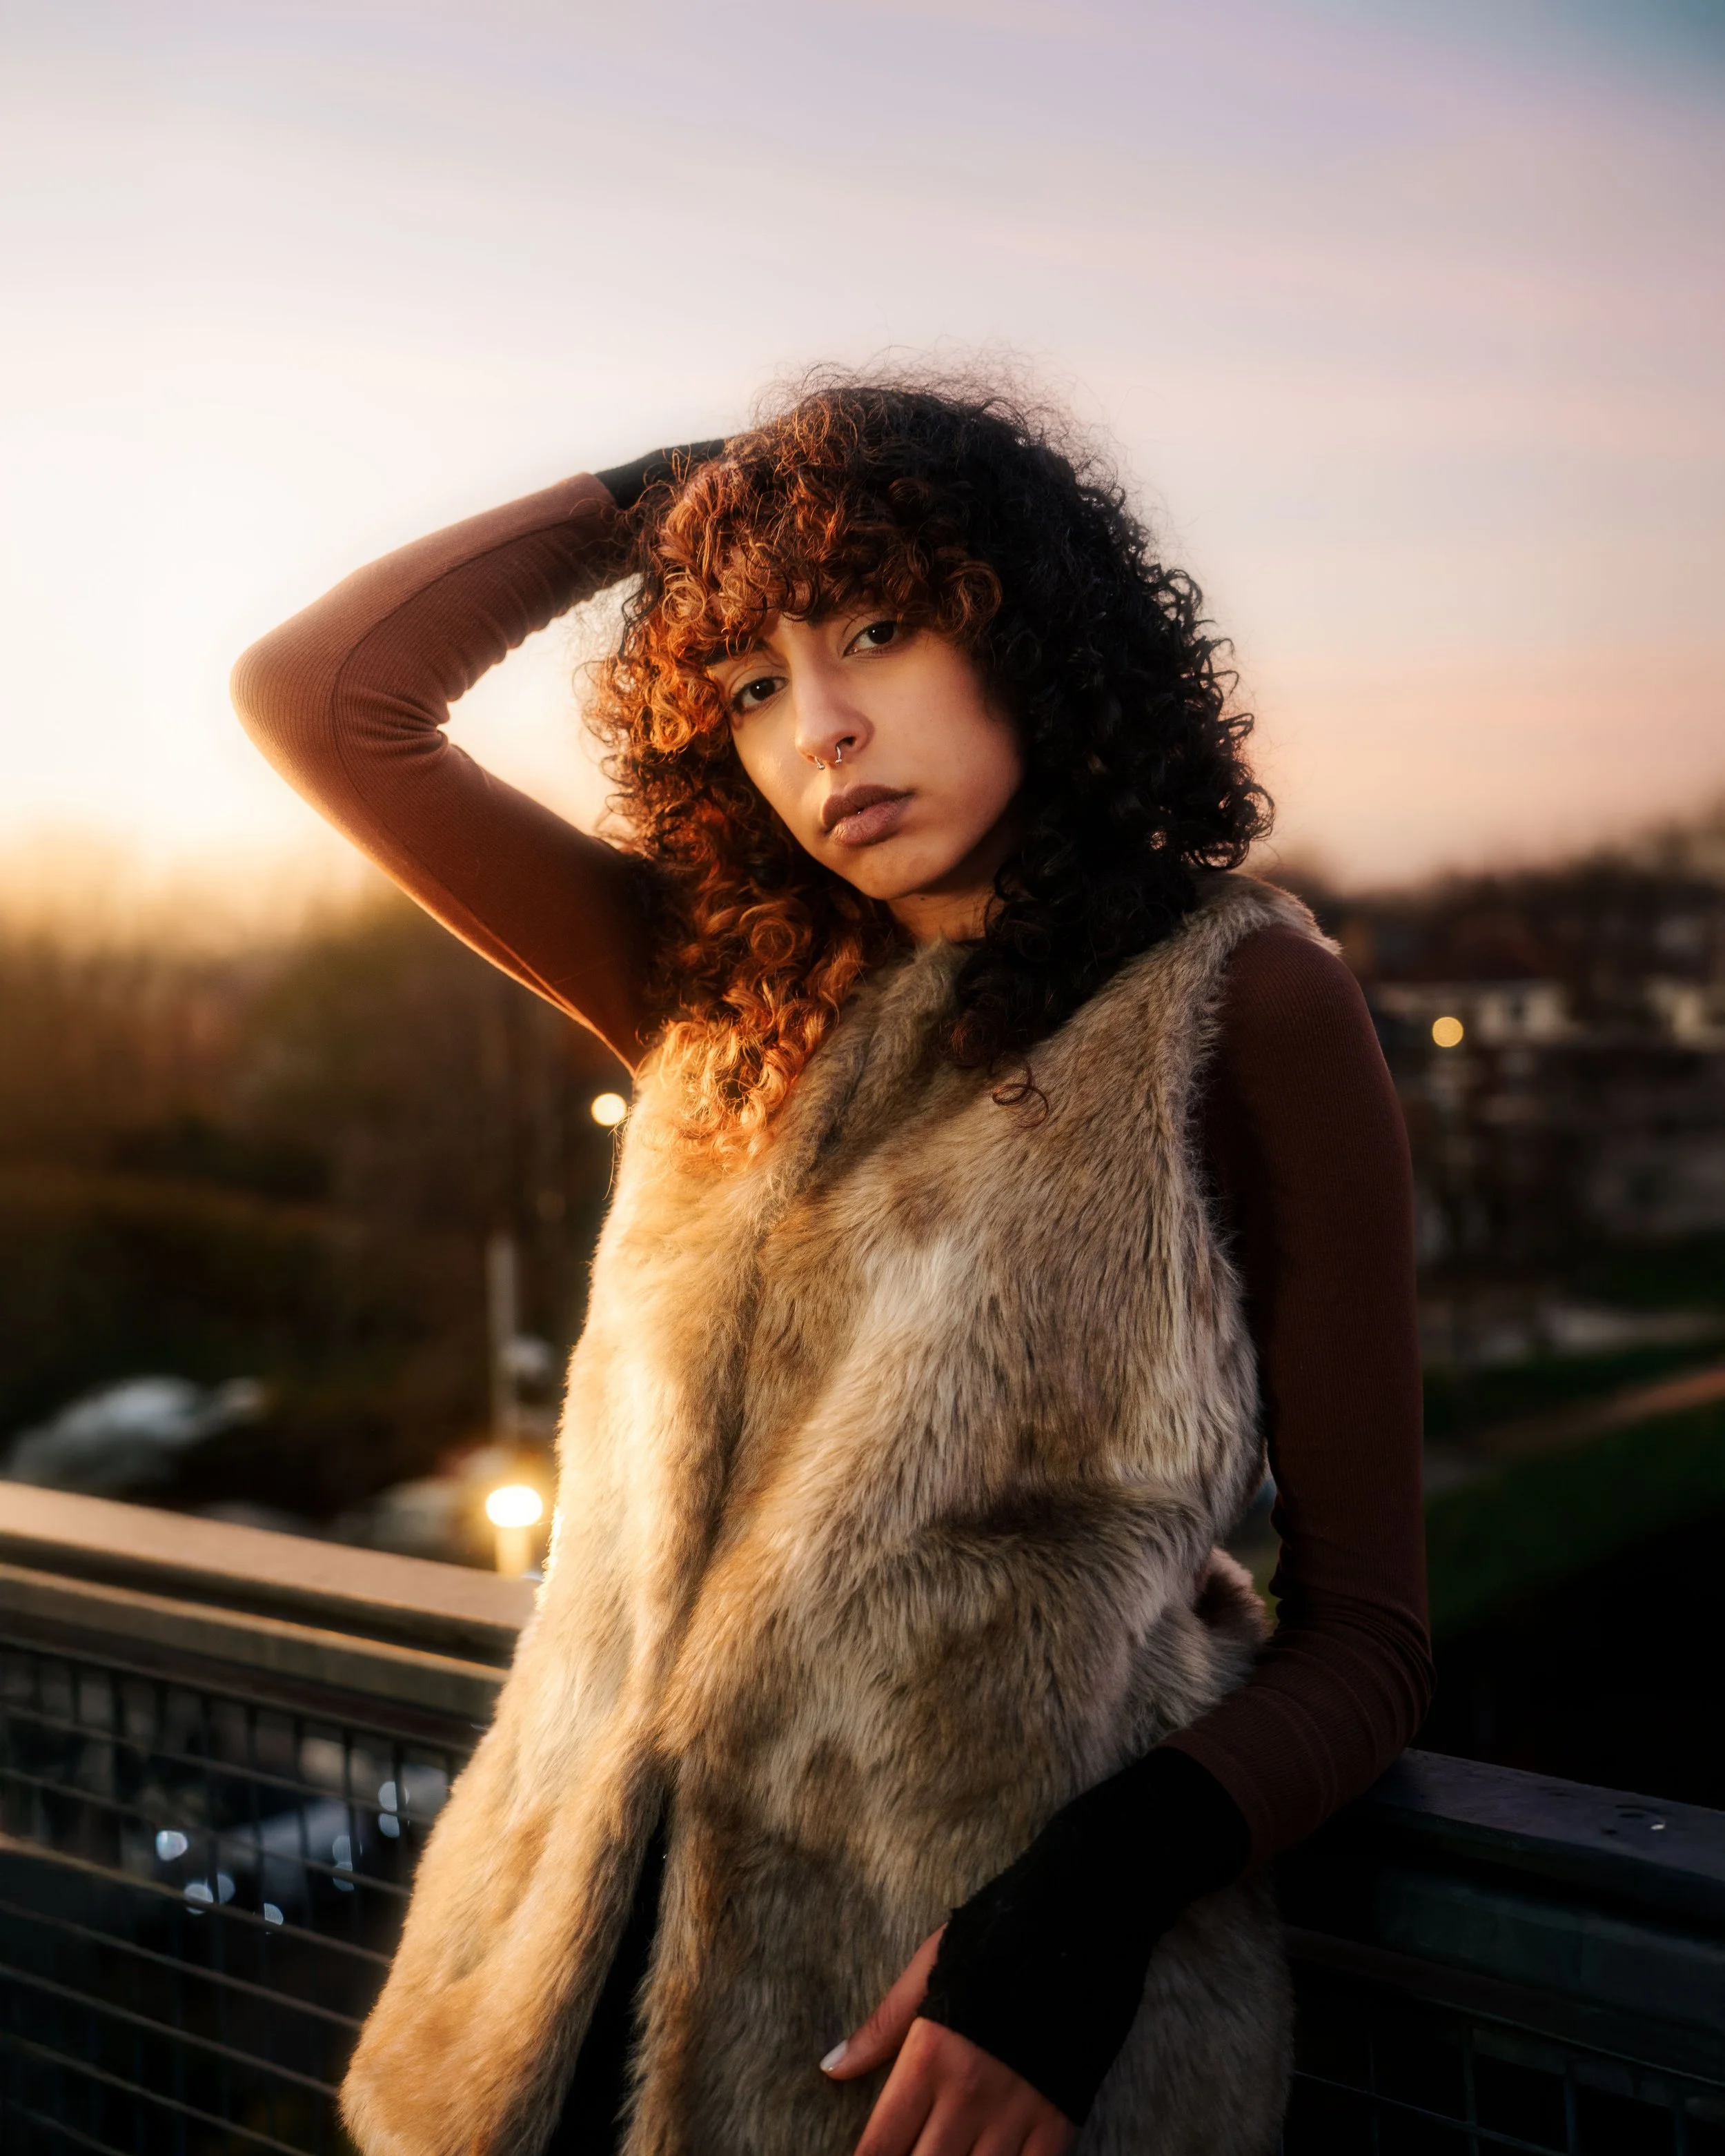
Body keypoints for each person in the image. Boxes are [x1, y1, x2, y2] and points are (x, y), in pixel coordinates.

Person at [232, 375, 1430, 2156]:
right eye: (752, 682)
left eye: (880, 626)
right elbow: (325, 701)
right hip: (524, 2022)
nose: (825, 732)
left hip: (948, 2051)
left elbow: (1374, 1643)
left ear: (1024, 626)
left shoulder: (1245, 1002)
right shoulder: (706, 993)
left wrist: (1077, 1917)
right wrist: (672, 498)